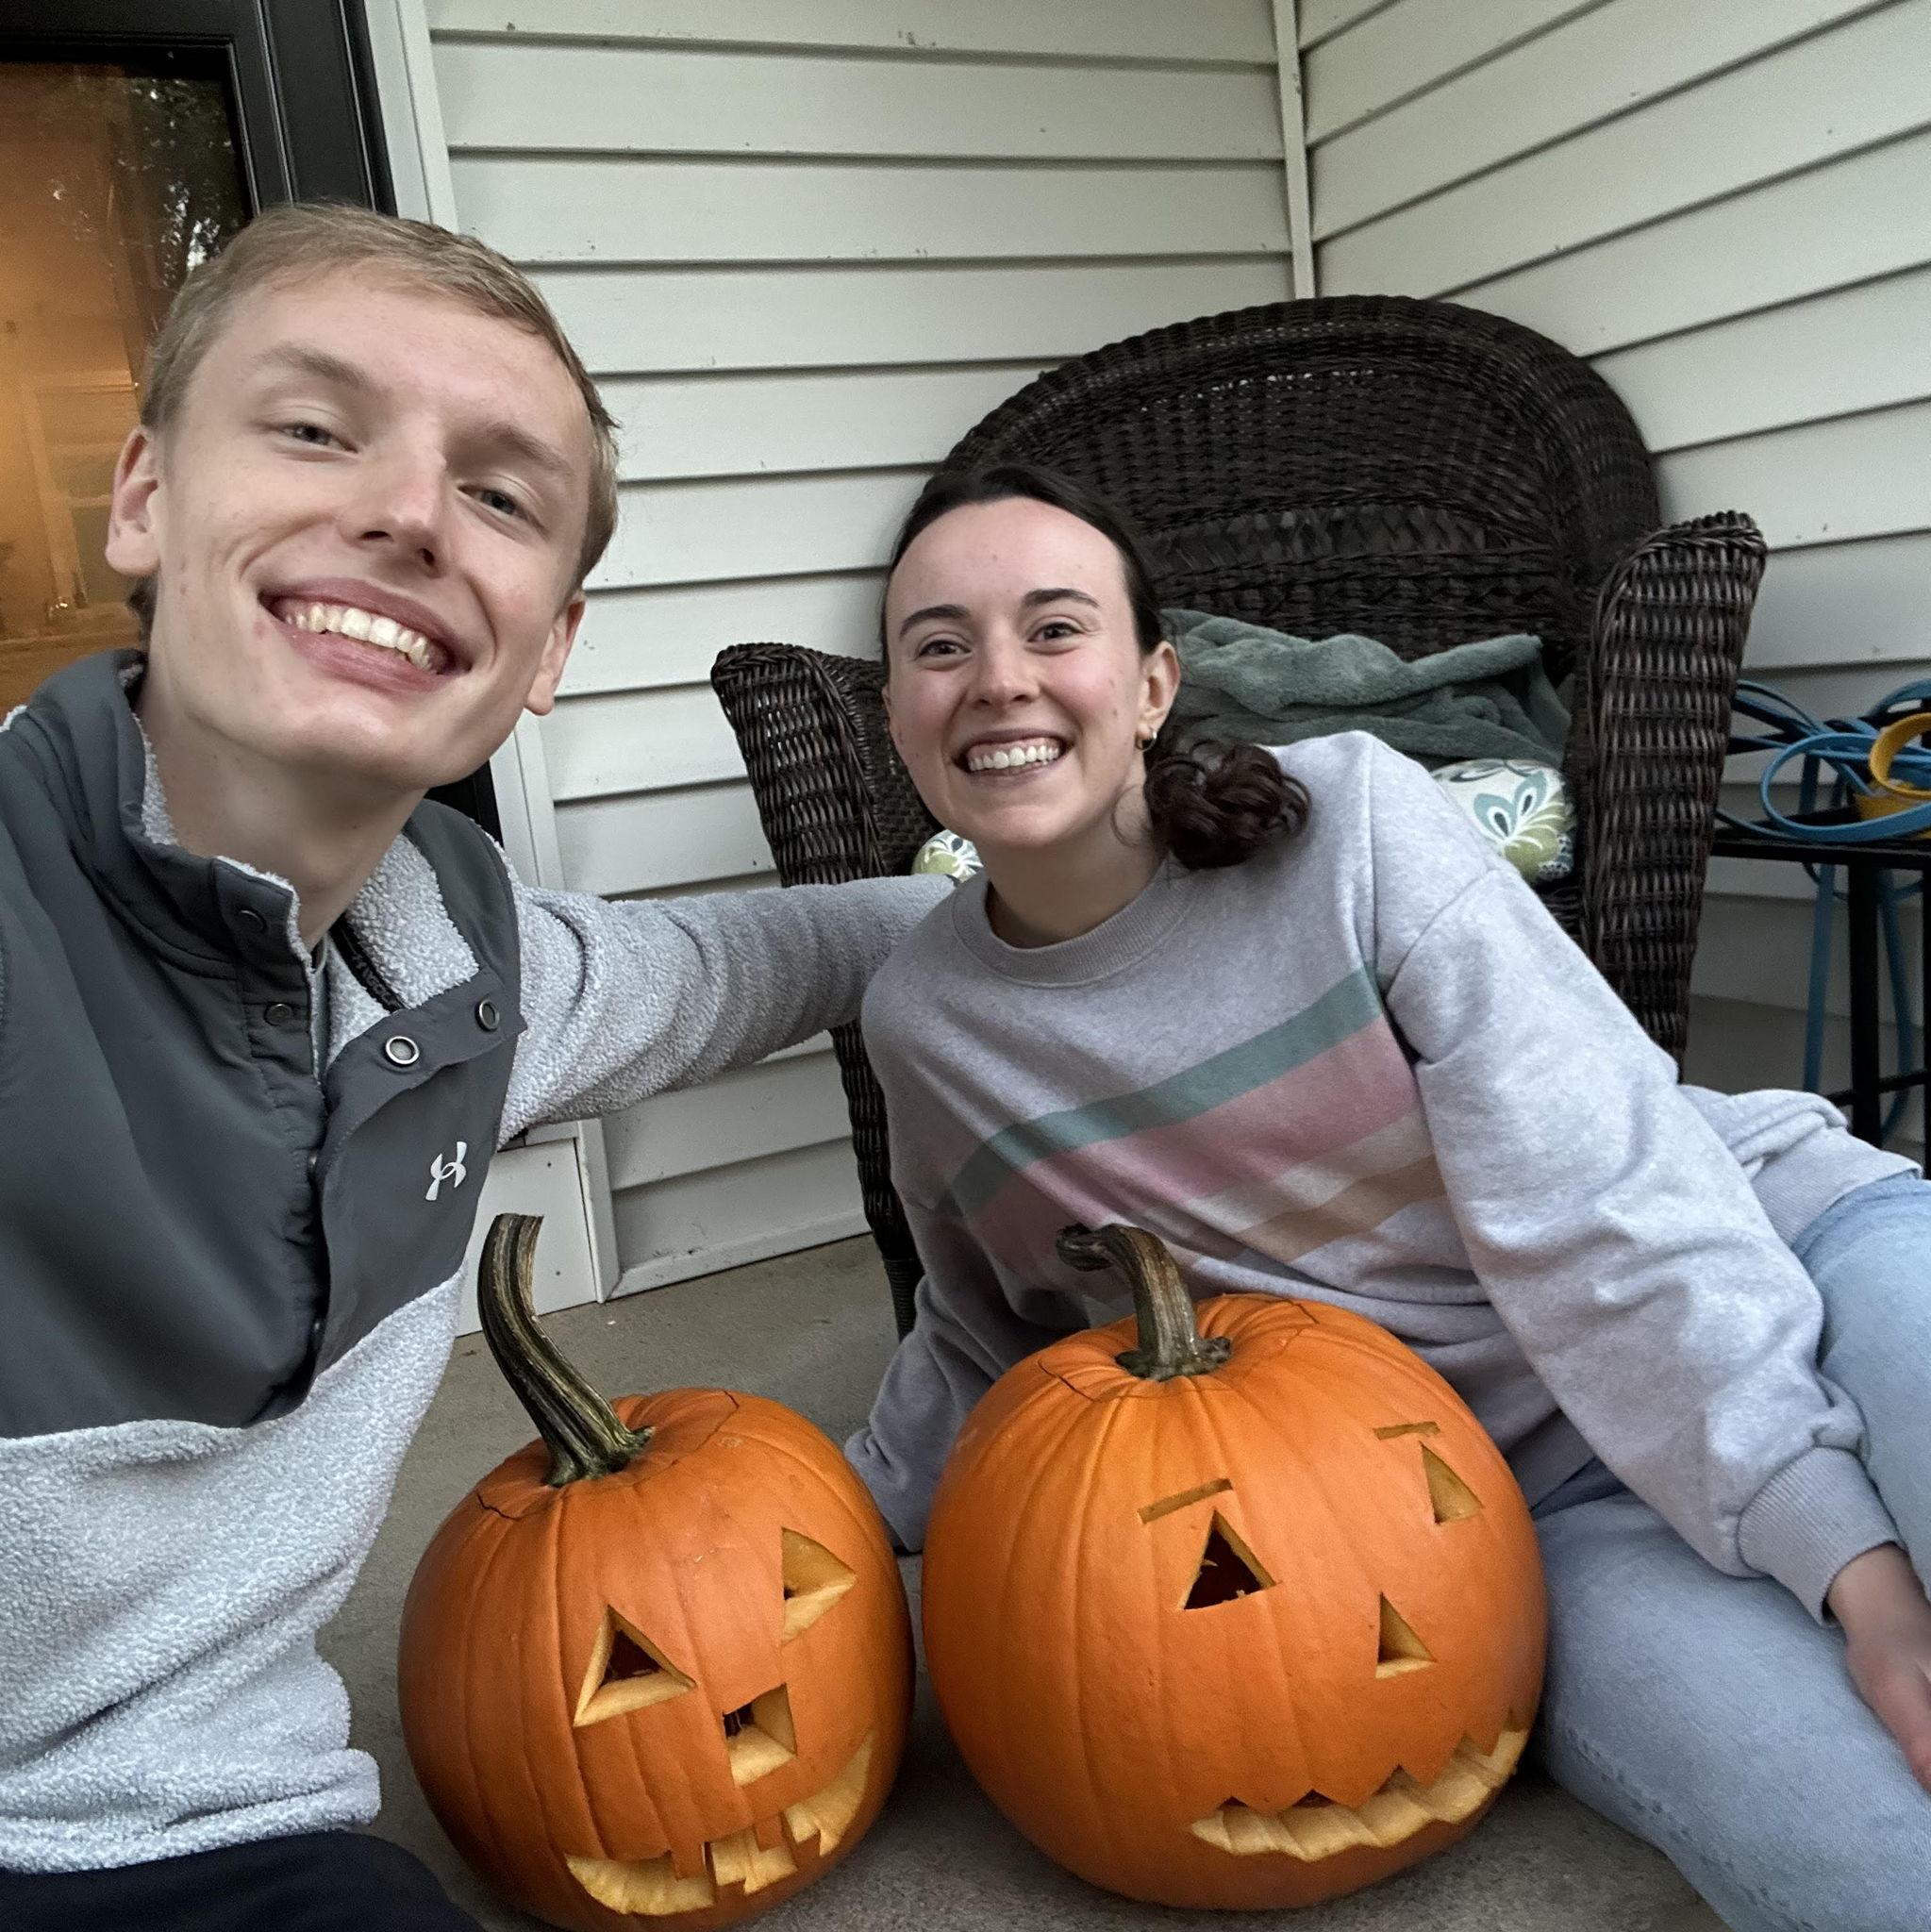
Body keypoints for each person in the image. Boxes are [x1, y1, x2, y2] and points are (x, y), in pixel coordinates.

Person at [0, 205, 948, 1931]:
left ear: (547, 652)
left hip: (206, 1834)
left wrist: (1056, 878)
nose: (408, 515)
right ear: (143, 496)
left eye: (500, 494)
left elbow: (750, 961)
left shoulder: (463, 972)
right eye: (312, 428)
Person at [846, 461, 1931, 1931]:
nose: (996, 681)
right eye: (939, 645)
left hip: (1771, 1256)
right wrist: (821, 1529)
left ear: (1153, 683)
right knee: (1870, 1863)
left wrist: (1852, 1570)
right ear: (898, 710)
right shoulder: (930, 1023)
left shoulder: (1353, 826)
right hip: (1501, 1502)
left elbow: (1606, 1199)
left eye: (1054, 629)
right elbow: (990, 1331)